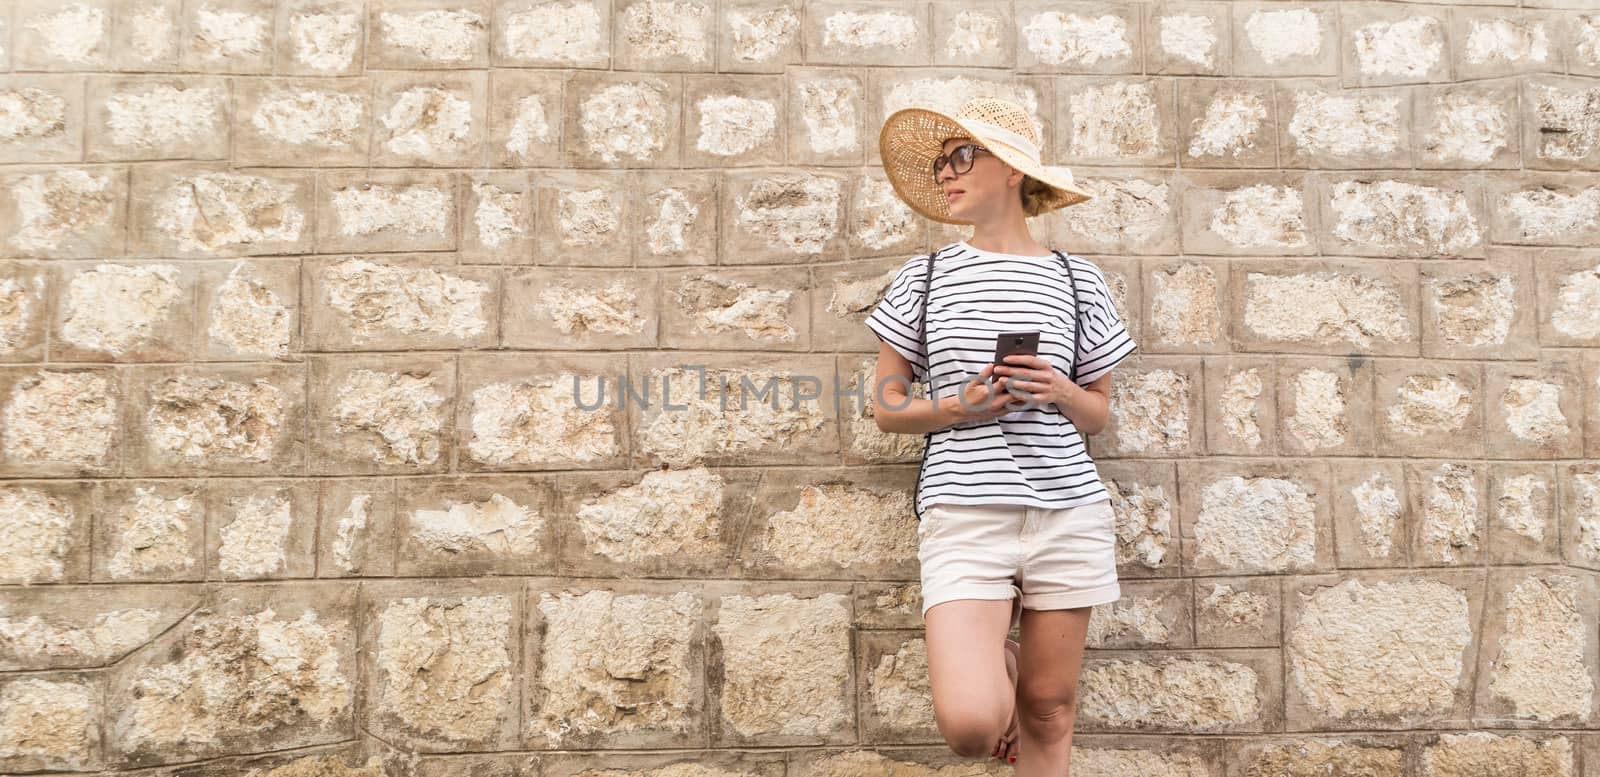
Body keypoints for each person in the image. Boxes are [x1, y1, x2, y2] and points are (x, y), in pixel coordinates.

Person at [865, 97, 1136, 772]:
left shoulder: (1079, 280)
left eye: (961, 156)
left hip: (1067, 510)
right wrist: (959, 405)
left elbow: (1097, 413)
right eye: (940, 163)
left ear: (1012, 168)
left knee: (1050, 710)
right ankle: (1004, 666)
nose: (946, 175)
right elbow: (887, 405)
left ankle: (1026, 686)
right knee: (971, 723)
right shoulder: (922, 279)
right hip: (965, 510)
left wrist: (1061, 390)